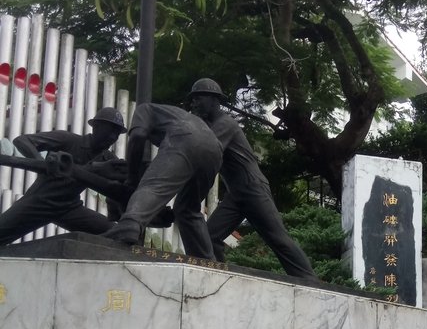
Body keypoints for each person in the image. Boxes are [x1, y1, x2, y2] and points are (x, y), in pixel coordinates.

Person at [188, 78, 318, 282]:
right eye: (193, 99)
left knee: (278, 239)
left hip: (253, 188)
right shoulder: (211, 125)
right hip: (236, 193)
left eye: (199, 98)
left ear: (214, 100)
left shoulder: (225, 124)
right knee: (209, 237)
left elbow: (205, 151)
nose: (194, 103)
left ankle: (310, 282)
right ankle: (217, 276)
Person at [104, 102, 223, 259]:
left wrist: (132, 177)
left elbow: (138, 136)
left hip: (185, 136)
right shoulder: (176, 114)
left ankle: (130, 223)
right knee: (188, 209)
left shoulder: (143, 109)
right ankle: (205, 257)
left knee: (154, 186)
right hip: (215, 149)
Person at [0, 107, 126, 247]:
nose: (113, 137)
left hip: (69, 208)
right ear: (95, 127)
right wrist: (42, 163)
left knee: (117, 234)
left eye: (117, 133)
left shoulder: (108, 159)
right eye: (110, 130)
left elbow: (119, 187)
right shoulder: (68, 140)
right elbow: (22, 140)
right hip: (38, 202)